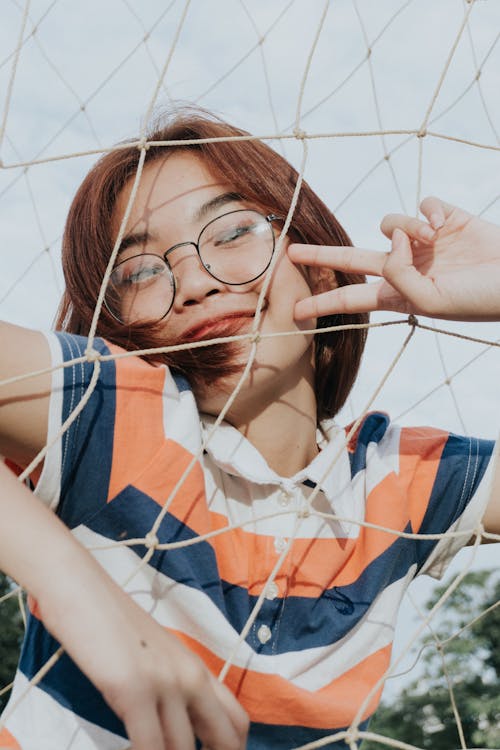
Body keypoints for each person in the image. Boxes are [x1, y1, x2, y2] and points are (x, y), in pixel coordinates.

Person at [0, 110, 498, 750]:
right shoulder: (117, 415)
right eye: (141, 271)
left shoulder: (398, 479)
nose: (196, 284)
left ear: (318, 267)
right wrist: (76, 591)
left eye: (233, 231)